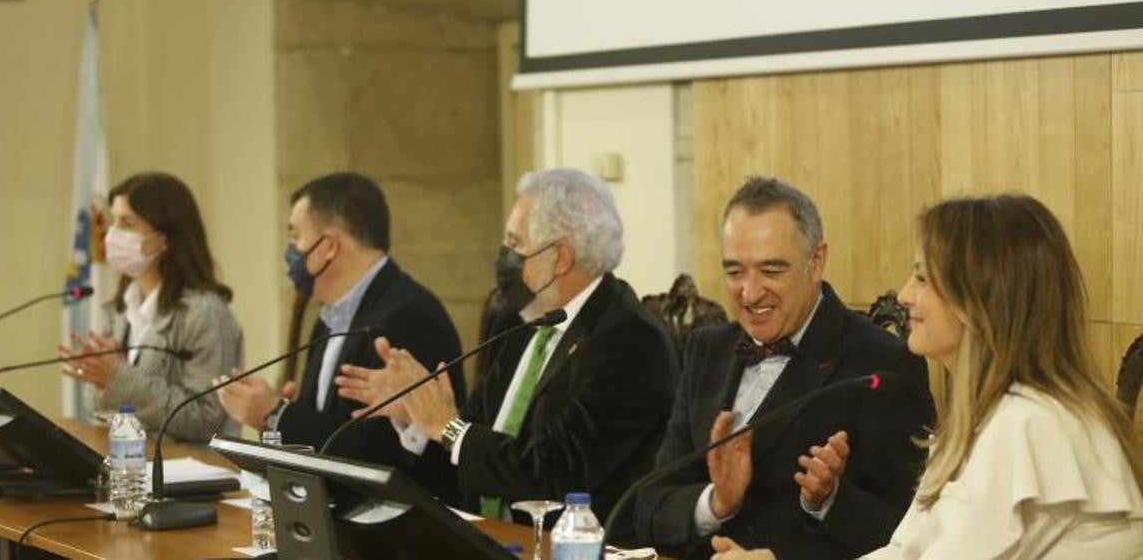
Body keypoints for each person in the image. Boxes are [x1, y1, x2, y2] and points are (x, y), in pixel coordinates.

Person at [710, 194, 1143, 559]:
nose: (904, 294)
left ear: (981, 298)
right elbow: (905, 550)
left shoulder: (1030, 424)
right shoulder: (995, 416)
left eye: (922, 276)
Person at [336, 168, 678, 526]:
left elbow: (558, 473)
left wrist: (448, 427)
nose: (503, 255)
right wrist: (417, 415)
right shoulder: (516, 323)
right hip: (487, 538)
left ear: (560, 257)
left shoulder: (631, 341)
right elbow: (473, 451)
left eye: (515, 244)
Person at [634, 177, 934, 559]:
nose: (750, 292)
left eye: (771, 271)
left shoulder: (884, 363)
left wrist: (828, 499)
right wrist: (716, 503)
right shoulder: (707, 348)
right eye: (735, 272)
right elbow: (647, 507)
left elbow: (910, 534)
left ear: (816, 261)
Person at [213, 172, 465, 503]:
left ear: (329, 247)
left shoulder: (407, 317)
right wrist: (279, 416)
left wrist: (277, 414)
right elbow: (327, 427)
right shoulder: (332, 315)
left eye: (295, 237)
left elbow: (377, 453)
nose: (291, 251)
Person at [60, 171, 243, 443]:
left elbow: (206, 421)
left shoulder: (205, 313)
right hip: (131, 465)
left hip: (192, 475)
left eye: (127, 223)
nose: (112, 234)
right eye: (114, 221)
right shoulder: (120, 308)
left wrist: (118, 376)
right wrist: (100, 377)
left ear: (165, 238)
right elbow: (98, 410)